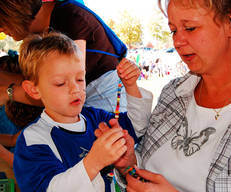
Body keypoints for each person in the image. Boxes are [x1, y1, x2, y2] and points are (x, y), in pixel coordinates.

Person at [100, 0, 231, 191]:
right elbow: (147, 170)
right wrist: (128, 164)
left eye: (190, 28)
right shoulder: (173, 93)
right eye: (173, 31)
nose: (177, 42)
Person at [13, 32, 153, 192]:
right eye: (60, 83)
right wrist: (94, 161)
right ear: (33, 90)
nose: (75, 89)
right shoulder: (32, 140)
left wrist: (131, 86)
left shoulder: (97, 118)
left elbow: (137, 125)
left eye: (80, 79)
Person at [0, 0, 128, 112]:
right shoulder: (55, 22)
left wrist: (8, 93)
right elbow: (43, 84)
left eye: (1, 22)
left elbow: (63, 93)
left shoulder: (70, 18)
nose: (1, 30)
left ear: (14, 12)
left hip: (108, 107)